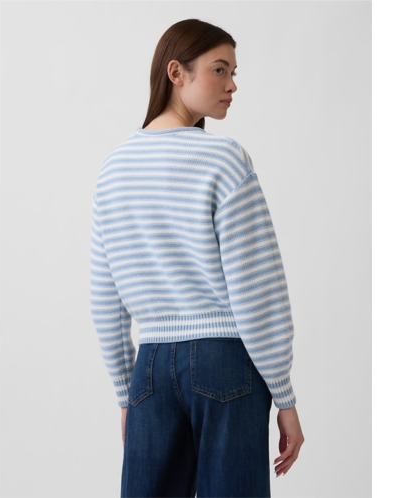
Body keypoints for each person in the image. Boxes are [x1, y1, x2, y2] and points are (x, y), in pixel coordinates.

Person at [90, 18, 304, 498]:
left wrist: (126, 392)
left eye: (233, 72)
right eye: (219, 70)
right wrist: (284, 395)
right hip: (224, 362)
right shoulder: (223, 158)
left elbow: (105, 297)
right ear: (176, 73)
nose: (232, 85)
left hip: (148, 369)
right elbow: (258, 288)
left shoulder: (113, 168)